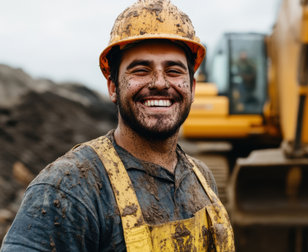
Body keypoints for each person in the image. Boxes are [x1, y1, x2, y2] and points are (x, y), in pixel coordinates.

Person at [0, 0, 235, 251]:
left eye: (174, 70)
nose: (159, 82)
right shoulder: (70, 188)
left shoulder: (201, 178)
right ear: (113, 87)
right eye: (141, 70)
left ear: (192, 87)